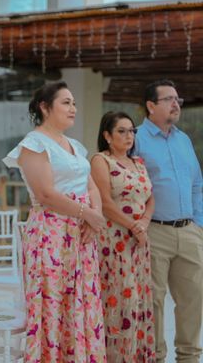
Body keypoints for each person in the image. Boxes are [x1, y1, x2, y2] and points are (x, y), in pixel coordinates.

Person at [2, 81, 107, 362]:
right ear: (45, 107)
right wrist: (87, 214)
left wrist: (93, 217)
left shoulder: (75, 145)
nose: (73, 108)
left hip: (81, 234)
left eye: (74, 103)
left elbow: (92, 186)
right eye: (66, 102)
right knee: (53, 304)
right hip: (51, 234)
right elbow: (46, 194)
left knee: (81, 304)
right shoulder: (33, 144)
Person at [135, 79, 203, 363]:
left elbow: (197, 184)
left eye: (178, 99)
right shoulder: (135, 137)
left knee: (193, 299)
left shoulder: (183, 139)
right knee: (153, 301)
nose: (176, 104)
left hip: (188, 232)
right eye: (169, 99)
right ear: (151, 106)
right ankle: (155, 357)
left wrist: (198, 225)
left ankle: (188, 357)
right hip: (154, 231)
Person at [91, 111, 155, 362]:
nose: (129, 136)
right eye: (122, 131)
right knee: (119, 302)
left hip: (138, 242)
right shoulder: (101, 160)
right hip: (115, 242)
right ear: (107, 135)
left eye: (132, 131)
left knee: (138, 302)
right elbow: (105, 203)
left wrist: (144, 223)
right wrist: (134, 226)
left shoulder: (138, 162)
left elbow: (150, 197)